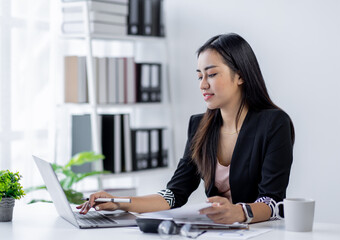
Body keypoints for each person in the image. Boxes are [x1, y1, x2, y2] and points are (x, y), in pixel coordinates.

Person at [77, 33, 295, 224]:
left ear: (240, 76)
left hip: (262, 232)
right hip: (217, 231)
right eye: (200, 76)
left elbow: (272, 201)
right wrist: (120, 203)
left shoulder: (274, 123)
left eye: (211, 74)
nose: (202, 84)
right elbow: (174, 194)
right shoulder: (200, 126)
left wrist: (238, 212)